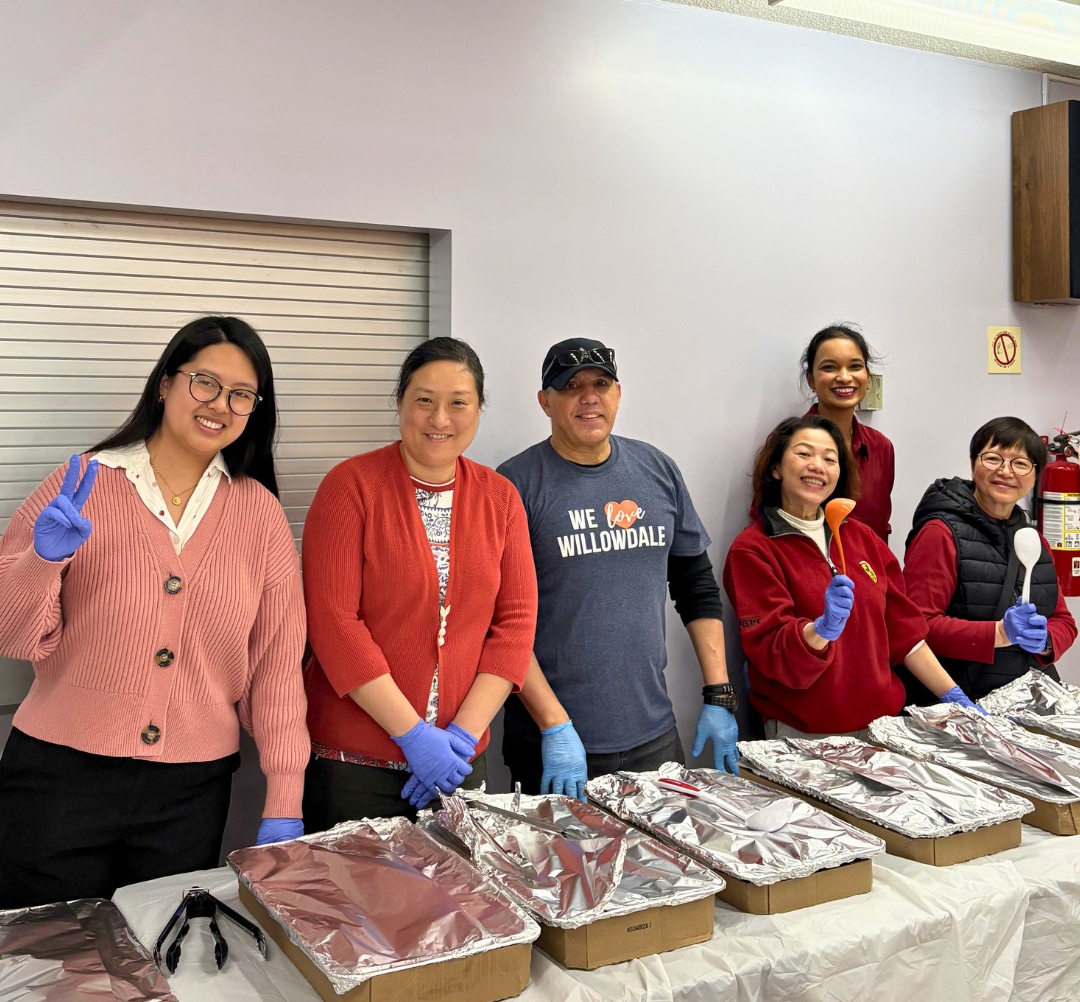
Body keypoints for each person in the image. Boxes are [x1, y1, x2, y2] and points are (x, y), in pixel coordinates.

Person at [0, 316, 308, 909]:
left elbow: (275, 666)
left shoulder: (260, 514)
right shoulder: (82, 481)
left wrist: (285, 794)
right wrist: (41, 560)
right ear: (165, 384)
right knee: (49, 972)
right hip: (59, 779)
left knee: (158, 970)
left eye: (241, 394)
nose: (220, 404)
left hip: (189, 793)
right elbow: (12, 635)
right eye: (204, 382)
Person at [301, 337, 537, 825]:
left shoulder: (501, 498)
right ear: (400, 403)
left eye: (458, 403)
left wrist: (461, 740)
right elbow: (334, 623)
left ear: (479, 409)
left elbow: (515, 623)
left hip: (458, 767)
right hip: (354, 767)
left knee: (459, 901)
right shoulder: (350, 487)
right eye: (424, 401)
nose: (440, 419)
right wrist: (411, 735)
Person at [498, 337, 738, 798]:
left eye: (601, 383)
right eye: (571, 386)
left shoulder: (657, 470)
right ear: (545, 402)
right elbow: (500, 622)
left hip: (654, 737)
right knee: (560, 872)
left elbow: (696, 587)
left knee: (663, 869)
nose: (589, 397)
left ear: (618, 393)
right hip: (554, 744)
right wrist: (554, 727)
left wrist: (719, 694)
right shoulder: (514, 485)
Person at [723, 416, 981, 739]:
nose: (817, 466)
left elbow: (906, 636)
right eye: (804, 454)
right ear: (775, 468)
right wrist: (819, 631)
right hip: (805, 736)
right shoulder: (753, 550)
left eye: (830, 459)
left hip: (883, 729)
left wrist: (954, 696)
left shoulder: (862, 538)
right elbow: (772, 651)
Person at [902, 417, 1077, 703]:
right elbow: (917, 626)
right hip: (959, 701)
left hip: (1023, 703)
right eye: (993, 458)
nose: (1005, 471)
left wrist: (1045, 640)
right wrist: (997, 633)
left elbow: (1064, 621)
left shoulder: (1034, 539)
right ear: (973, 464)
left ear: (1035, 476)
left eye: (1020, 463)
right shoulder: (940, 533)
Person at [801, 323, 894, 543]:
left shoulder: (881, 447)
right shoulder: (788, 444)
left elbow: (880, 529)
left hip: (869, 573)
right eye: (829, 368)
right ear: (811, 380)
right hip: (812, 572)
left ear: (867, 376)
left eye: (854, 366)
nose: (844, 377)